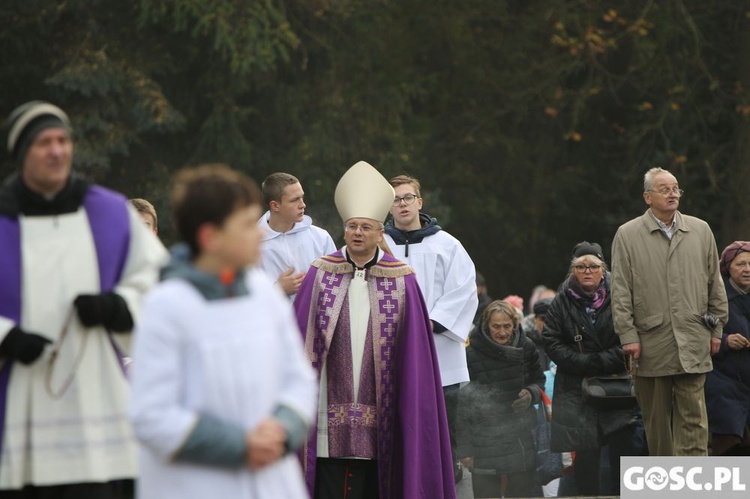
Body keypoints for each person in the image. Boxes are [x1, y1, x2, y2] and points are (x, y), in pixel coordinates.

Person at [0, 101, 166, 497]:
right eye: (44, 142)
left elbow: (157, 279)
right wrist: (6, 337)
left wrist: (120, 306)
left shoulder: (108, 211)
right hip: (16, 394)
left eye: (63, 140)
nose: (57, 151)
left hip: (96, 407)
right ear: (22, 152)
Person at [129, 164, 317, 498]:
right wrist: (240, 445)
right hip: (198, 485)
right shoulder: (167, 305)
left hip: (272, 482)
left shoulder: (263, 292)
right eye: (246, 225)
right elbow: (152, 415)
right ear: (210, 237)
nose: (258, 233)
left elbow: (298, 379)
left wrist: (283, 429)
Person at [294, 161, 456, 499]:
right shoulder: (320, 273)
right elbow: (298, 339)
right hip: (326, 403)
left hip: (384, 403)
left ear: (379, 233)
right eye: (352, 226)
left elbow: (415, 355)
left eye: (365, 227)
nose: (357, 233)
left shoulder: (402, 279)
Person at [611, 167, 728, 456]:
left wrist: (717, 329)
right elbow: (621, 290)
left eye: (676, 188)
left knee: (695, 418)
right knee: (656, 421)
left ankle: (693, 482)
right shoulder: (627, 234)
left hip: (693, 336)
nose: (673, 193)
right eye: (665, 189)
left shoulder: (700, 230)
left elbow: (715, 282)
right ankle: (666, 483)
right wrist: (627, 335)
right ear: (647, 197)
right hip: (650, 341)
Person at [383, 174, 478, 481]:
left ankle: (443, 475)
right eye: (395, 200)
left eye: (407, 197)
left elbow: (464, 289)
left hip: (439, 349)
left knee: (441, 423)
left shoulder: (447, 244)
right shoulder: (379, 247)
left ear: (419, 202)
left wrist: (430, 322)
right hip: (390, 347)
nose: (402, 204)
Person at [543, 242, 642, 496]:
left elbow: (633, 334)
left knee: (625, 455)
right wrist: (586, 363)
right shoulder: (561, 301)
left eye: (594, 266)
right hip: (578, 389)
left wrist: (603, 360)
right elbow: (551, 341)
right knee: (586, 458)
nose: (588, 271)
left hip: (617, 386)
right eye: (581, 267)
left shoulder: (621, 294)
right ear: (572, 270)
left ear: (603, 269)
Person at [457, 300, 545, 498]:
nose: (502, 332)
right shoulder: (470, 354)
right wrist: (465, 450)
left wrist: (531, 394)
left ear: (514, 325)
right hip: (483, 439)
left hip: (520, 436)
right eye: (496, 326)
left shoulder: (526, 346)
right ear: (486, 326)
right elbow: (461, 406)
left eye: (507, 326)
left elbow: (539, 380)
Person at [258, 172, 336, 297]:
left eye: (302, 198)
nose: (302, 205)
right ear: (275, 205)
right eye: (295, 200)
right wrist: (276, 289)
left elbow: (336, 286)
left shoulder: (321, 238)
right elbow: (240, 296)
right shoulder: (252, 244)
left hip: (314, 316)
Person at [705, 241, 750, 455]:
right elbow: (696, 336)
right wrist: (725, 340)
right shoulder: (714, 298)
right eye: (741, 264)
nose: (747, 269)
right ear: (727, 268)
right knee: (729, 445)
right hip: (723, 381)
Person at [521, 296, 554, 370]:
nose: (546, 323)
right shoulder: (525, 344)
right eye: (543, 319)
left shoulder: (565, 344)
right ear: (535, 319)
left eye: (551, 318)